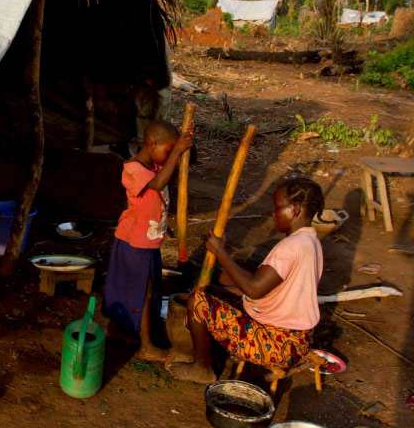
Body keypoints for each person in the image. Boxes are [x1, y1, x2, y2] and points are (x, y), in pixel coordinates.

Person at [169, 178, 325, 384]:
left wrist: (220, 252)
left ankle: (202, 368)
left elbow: (253, 289)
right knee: (223, 288)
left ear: (295, 210)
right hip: (297, 340)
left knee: (198, 302)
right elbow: (269, 290)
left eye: (278, 208)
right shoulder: (311, 242)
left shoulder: (291, 248)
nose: (273, 214)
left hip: (275, 344)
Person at [104, 120, 193, 361]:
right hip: (134, 242)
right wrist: (177, 151)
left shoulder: (155, 165)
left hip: (149, 242)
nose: (169, 155)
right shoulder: (133, 169)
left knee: (144, 289)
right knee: (141, 292)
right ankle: (145, 345)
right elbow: (159, 184)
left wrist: (180, 150)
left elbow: (165, 180)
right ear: (152, 144)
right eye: (167, 149)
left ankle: (129, 333)